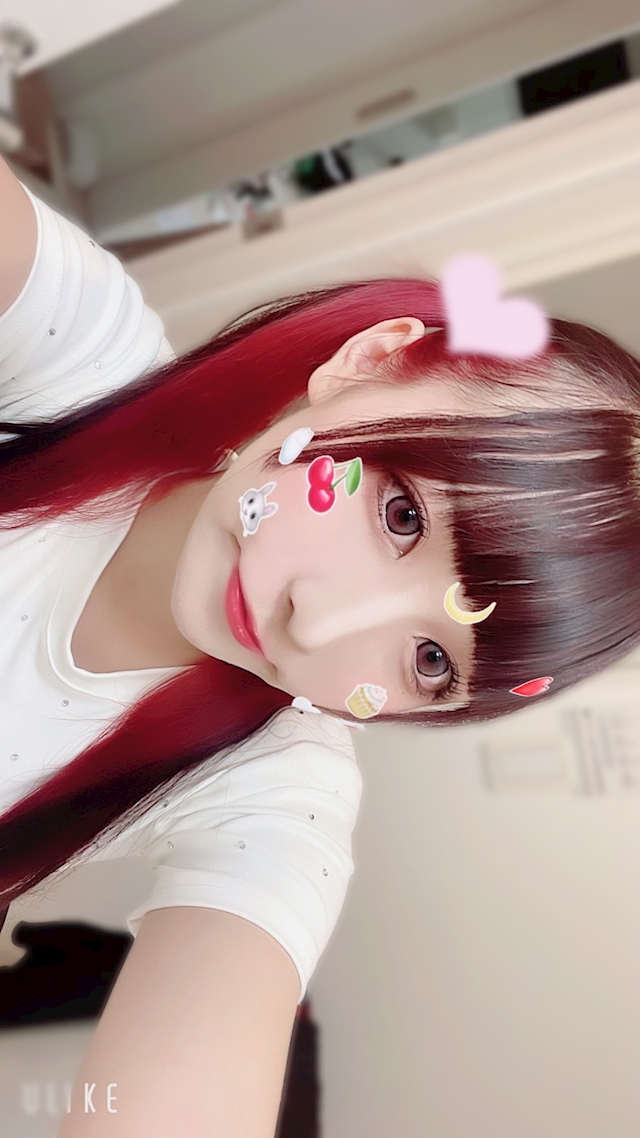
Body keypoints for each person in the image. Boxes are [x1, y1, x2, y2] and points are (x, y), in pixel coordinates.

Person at [0, 158, 639, 1136]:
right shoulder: (81, 355)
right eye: (399, 513)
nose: (315, 623)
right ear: (368, 363)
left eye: (430, 662)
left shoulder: (271, 799)